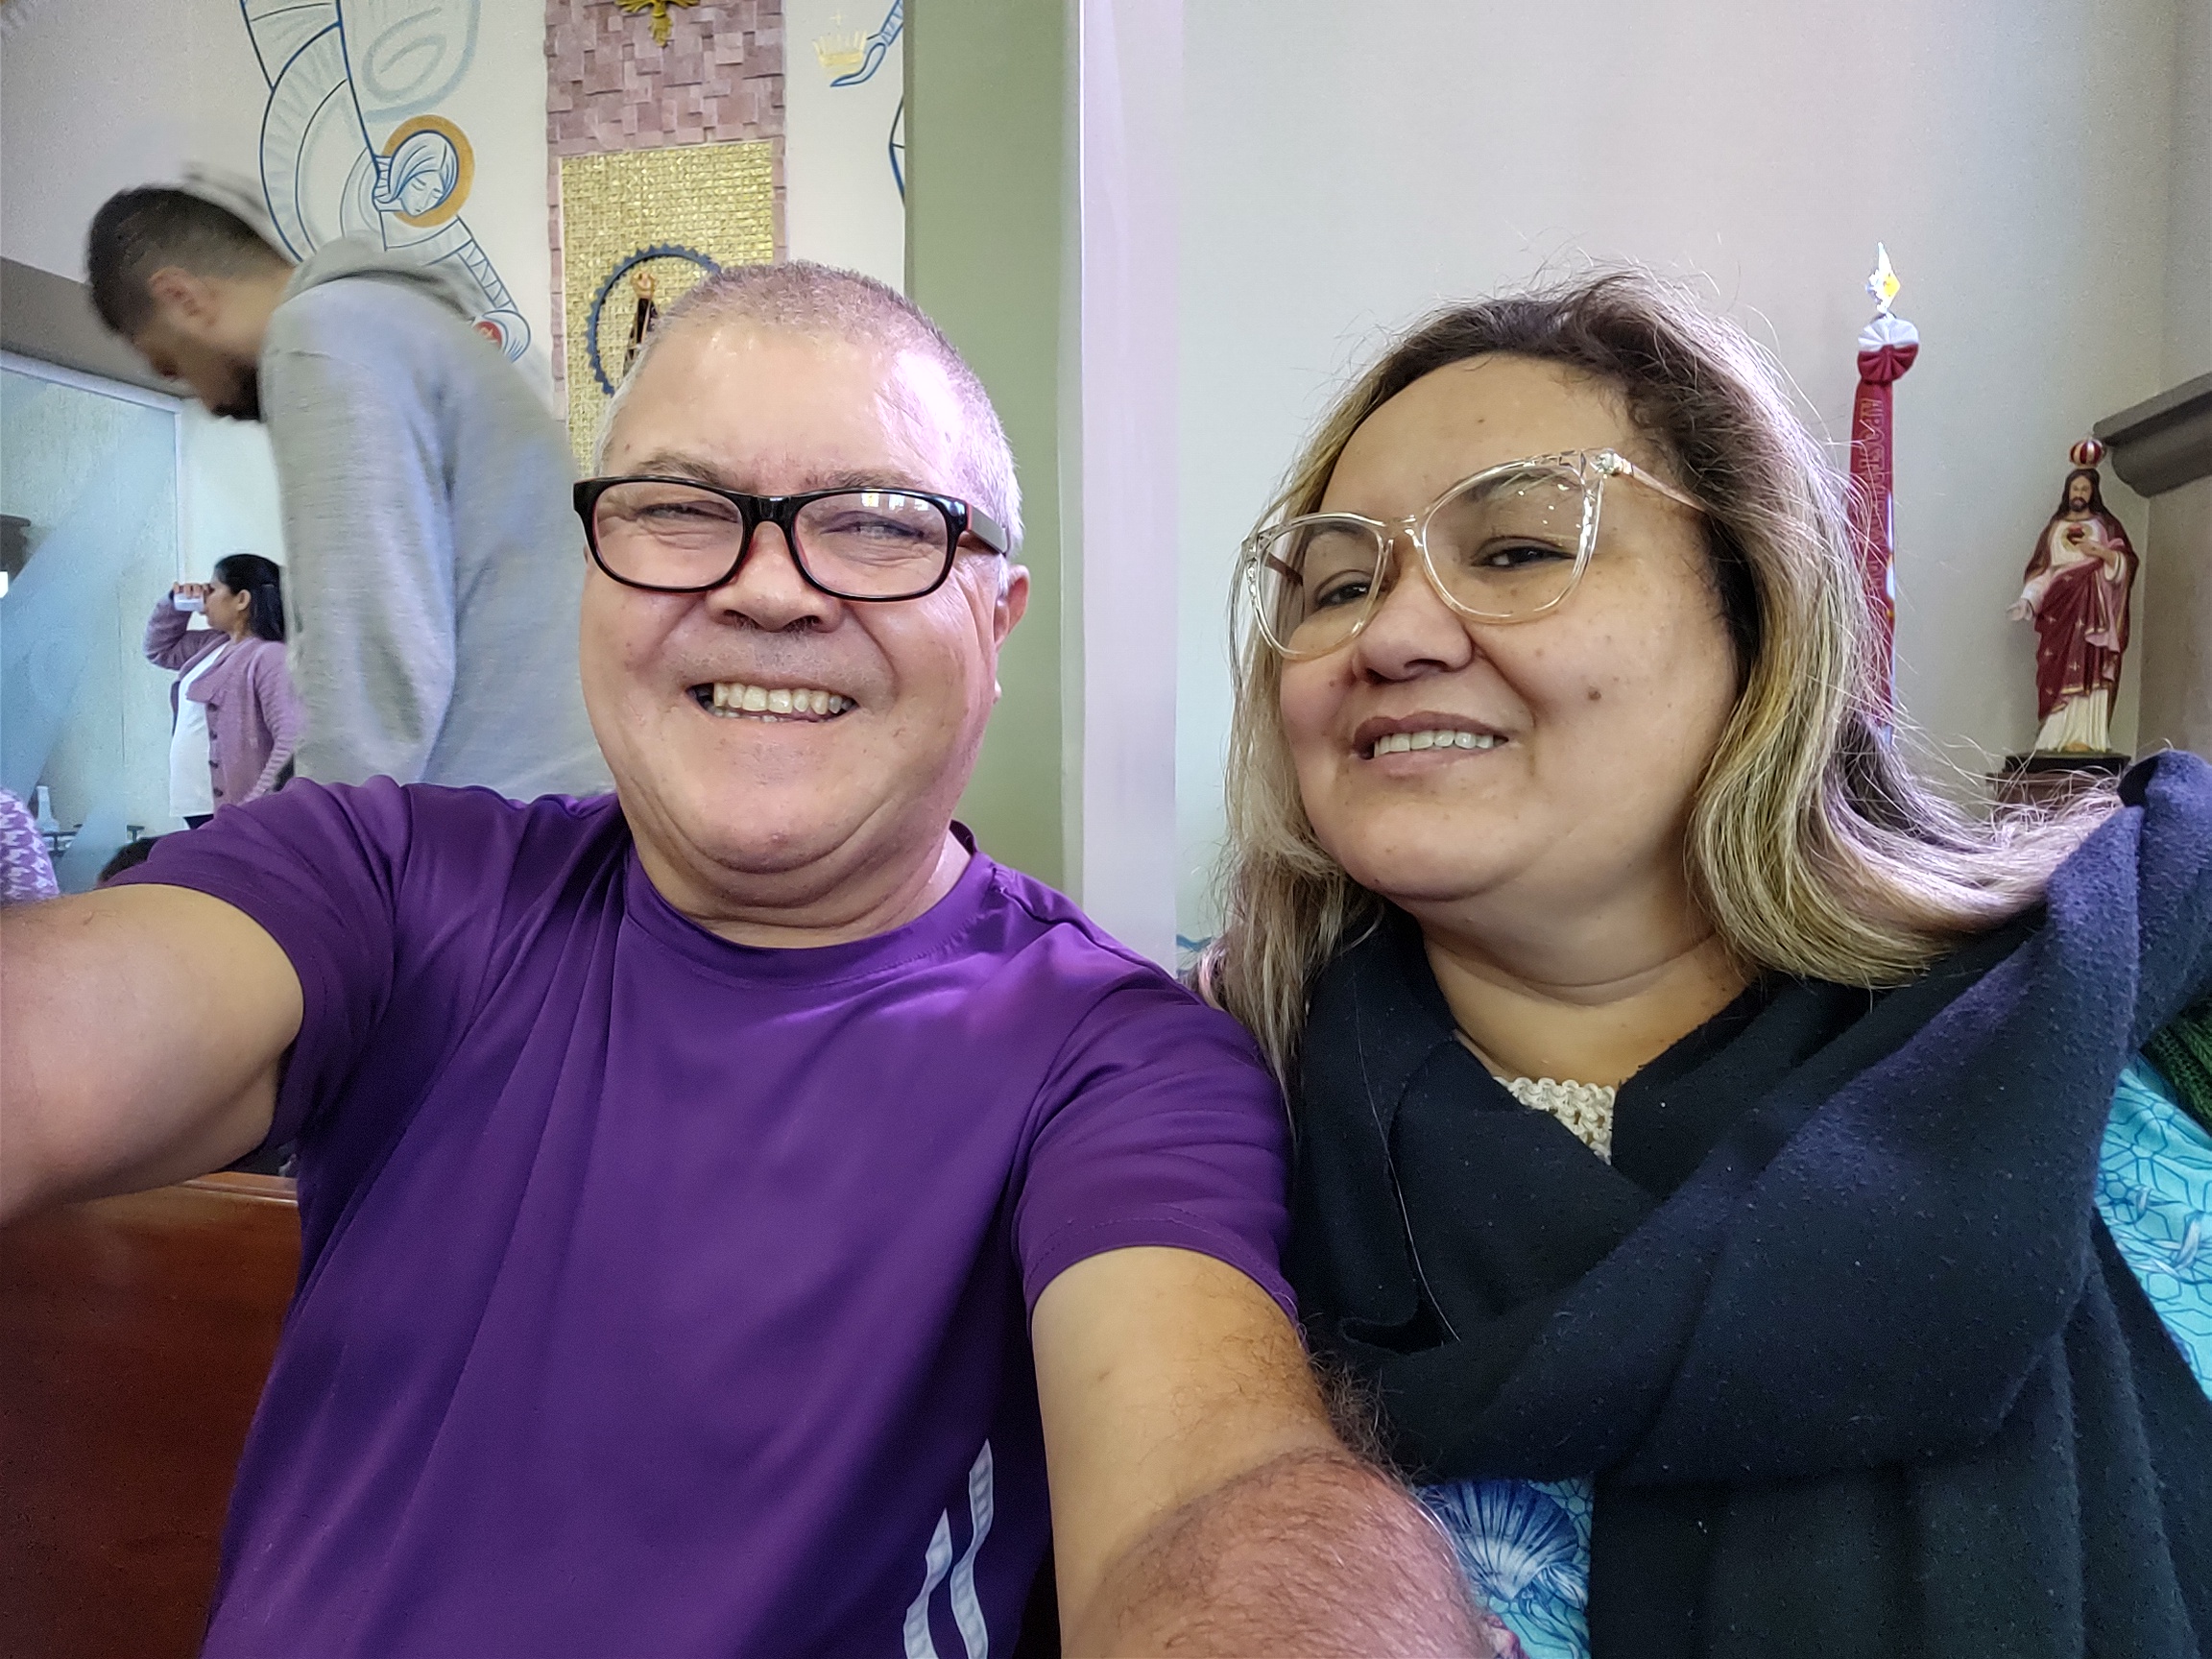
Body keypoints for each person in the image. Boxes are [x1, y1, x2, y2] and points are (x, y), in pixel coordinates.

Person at [0, 262, 1476, 1657]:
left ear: (996, 615)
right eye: (677, 509)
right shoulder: (379, 882)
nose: (770, 590)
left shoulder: (1114, 1061)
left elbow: (1211, 1487)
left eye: (881, 524)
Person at [1204, 271, 2212, 1659]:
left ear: (1755, 613)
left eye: (1517, 550)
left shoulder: (2136, 1023)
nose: (1391, 634)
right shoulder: (1190, 1150)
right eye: (1336, 583)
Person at [85, 172, 608, 800]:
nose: (203, 400)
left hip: (493, 816)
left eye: (172, 365)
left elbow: (370, 658)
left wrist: (320, 842)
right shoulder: (400, 321)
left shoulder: (319, 335)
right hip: (547, 801)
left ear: (183, 298)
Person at [145, 554, 304, 827]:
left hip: (235, 809)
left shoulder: (269, 656)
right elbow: (159, 649)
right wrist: (175, 604)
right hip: (198, 804)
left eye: (212, 589)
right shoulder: (214, 644)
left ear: (241, 599)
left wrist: (254, 805)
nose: (204, 599)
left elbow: (290, 739)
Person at [2008, 454, 2140, 754]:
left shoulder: (2106, 526)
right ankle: (2053, 736)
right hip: (2060, 611)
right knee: (2055, 668)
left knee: (2091, 667)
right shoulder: (2054, 528)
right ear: (2067, 491)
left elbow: (2127, 564)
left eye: (2084, 489)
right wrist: (2028, 600)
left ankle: (2089, 736)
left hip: (2094, 610)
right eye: (2075, 488)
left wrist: (2100, 552)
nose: (2079, 494)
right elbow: (2044, 571)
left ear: (2093, 493)